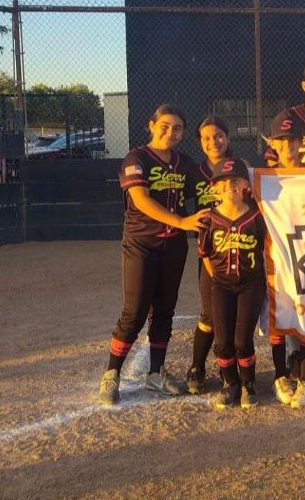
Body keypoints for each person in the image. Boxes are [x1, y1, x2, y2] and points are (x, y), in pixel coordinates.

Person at [98, 104, 208, 406]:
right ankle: (112, 373)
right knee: (134, 311)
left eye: (177, 128)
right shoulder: (137, 158)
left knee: (164, 310)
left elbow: (208, 189)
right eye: (165, 125)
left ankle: (156, 372)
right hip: (141, 244)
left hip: (173, 247)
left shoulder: (184, 163)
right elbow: (142, 201)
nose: (170, 132)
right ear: (151, 125)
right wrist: (183, 222)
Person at [184, 116, 246, 395]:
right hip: (211, 252)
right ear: (200, 141)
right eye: (206, 138)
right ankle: (197, 366)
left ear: (228, 137)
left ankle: (228, 371)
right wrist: (183, 221)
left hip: (240, 248)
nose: (213, 142)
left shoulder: (239, 168)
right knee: (211, 313)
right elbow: (171, 196)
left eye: (218, 136)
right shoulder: (194, 172)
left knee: (235, 315)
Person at [197, 159, 266, 409]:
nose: (230, 186)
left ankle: (248, 383)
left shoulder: (257, 214)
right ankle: (230, 382)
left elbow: (266, 248)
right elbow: (205, 254)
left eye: (235, 180)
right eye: (223, 182)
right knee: (223, 340)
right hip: (221, 286)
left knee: (241, 340)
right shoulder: (209, 218)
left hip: (251, 285)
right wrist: (217, 277)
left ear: (245, 183)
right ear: (214, 188)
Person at [265, 110, 305, 409]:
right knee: (279, 316)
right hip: (277, 256)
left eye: (294, 141)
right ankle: (280, 375)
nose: (289, 147)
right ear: (273, 144)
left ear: (302, 143)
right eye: (282, 141)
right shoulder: (264, 178)